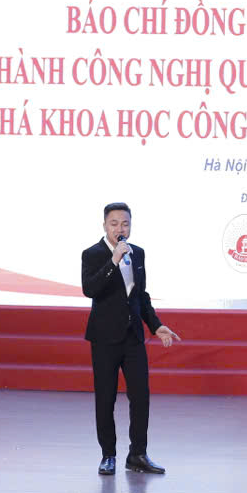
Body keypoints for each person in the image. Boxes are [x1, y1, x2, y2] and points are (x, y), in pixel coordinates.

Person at [81, 202, 181, 475]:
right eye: (114, 223)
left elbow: (140, 296)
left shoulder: (137, 253)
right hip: (104, 338)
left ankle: (137, 454)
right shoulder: (92, 254)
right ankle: (108, 455)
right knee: (106, 398)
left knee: (141, 397)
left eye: (125, 223)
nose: (120, 228)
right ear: (104, 225)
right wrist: (113, 260)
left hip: (133, 336)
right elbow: (90, 289)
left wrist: (156, 326)